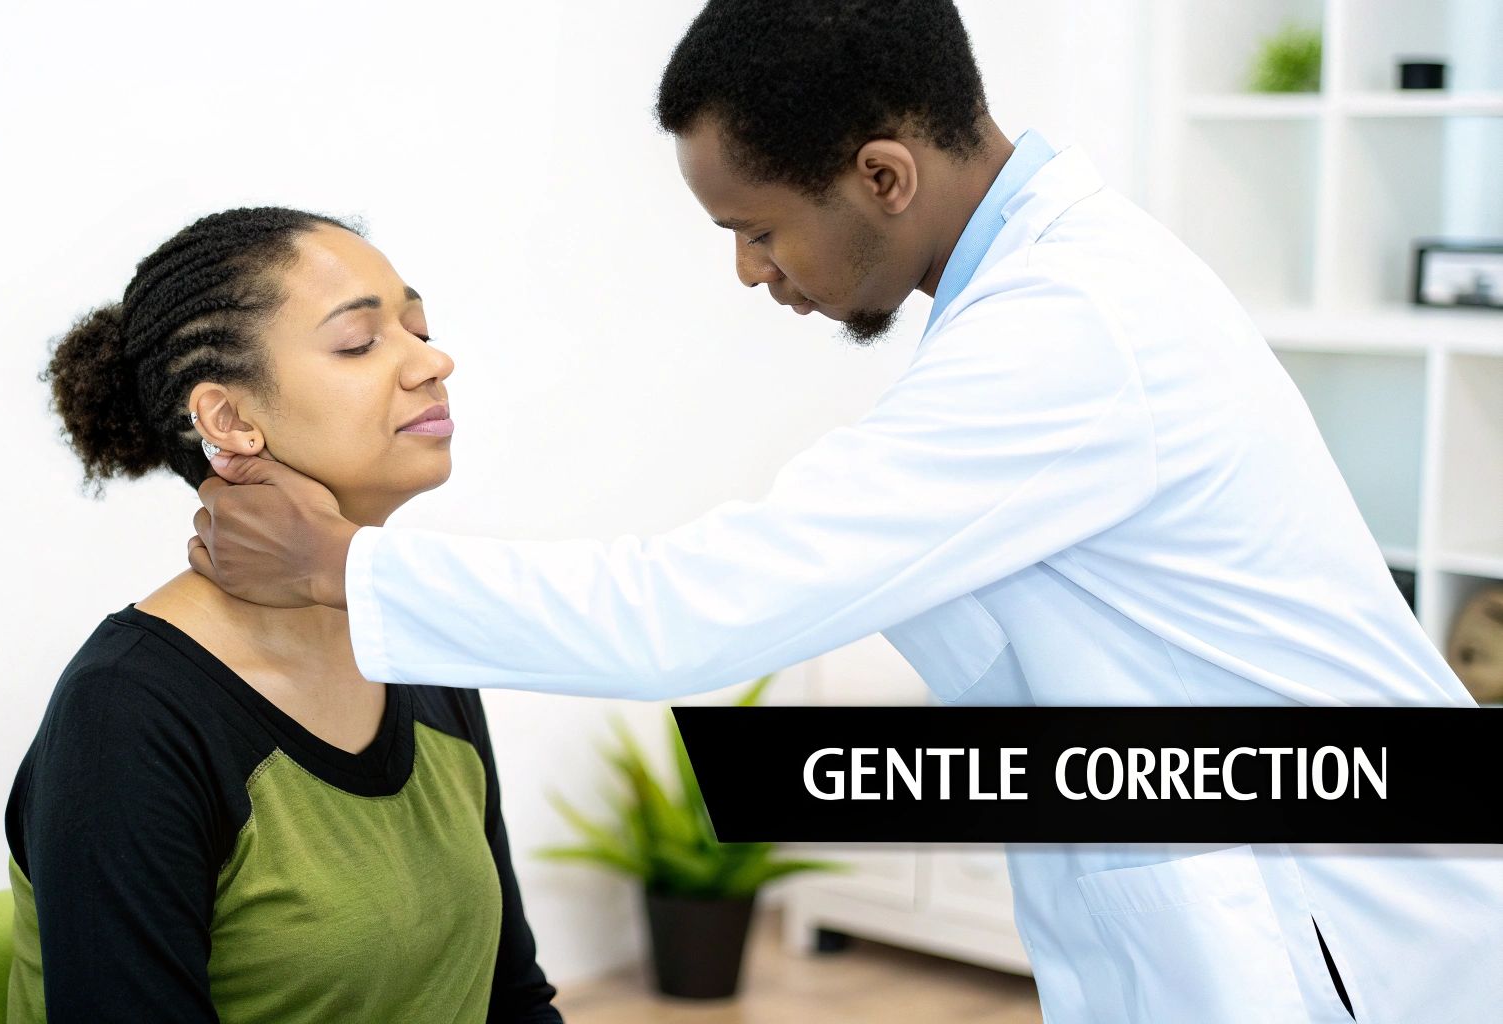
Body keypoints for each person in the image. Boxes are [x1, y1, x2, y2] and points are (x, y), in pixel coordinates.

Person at [184, 3, 1503, 1022]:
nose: (752, 272)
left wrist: (342, 570)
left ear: (882, 176)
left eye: (758, 229)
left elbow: (689, 615)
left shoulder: (1066, 334)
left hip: (1342, 926)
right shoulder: (1043, 300)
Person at [4, 207, 561, 1023]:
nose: (432, 362)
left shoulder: (412, 643)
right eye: (360, 343)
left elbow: (512, 1001)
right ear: (228, 420)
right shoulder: (127, 711)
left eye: (418, 329)